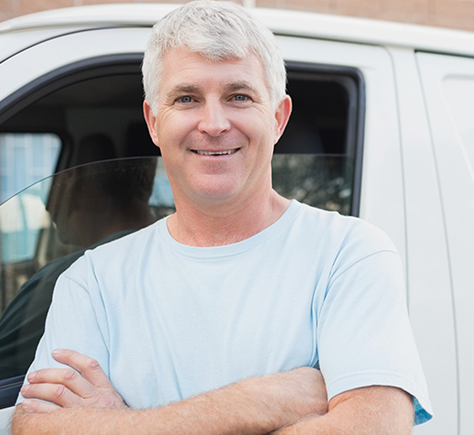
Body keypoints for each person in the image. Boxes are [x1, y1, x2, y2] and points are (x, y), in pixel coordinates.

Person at [12, 1, 433, 434]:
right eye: (187, 98)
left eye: (238, 96)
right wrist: (262, 402)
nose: (214, 124)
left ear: (277, 117)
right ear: (154, 122)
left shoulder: (349, 254)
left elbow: (372, 426)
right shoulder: (93, 281)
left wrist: (122, 426)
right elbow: (33, 427)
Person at [0, 134, 156, 380]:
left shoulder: (66, 279)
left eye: (61, 180)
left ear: (77, 184)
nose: (49, 204)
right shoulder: (163, 265)